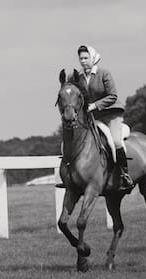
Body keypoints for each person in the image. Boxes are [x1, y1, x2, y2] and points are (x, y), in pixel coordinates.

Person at [57, 45, 134, 192]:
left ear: (92, 58)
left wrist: (95, 105)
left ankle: (124, 175)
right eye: (81, 58)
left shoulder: (104, 73)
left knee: (116, 141)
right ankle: (69, 176)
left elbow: (113, 96)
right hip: (94, 116)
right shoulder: (77, 77)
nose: (83, 61)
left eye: (86, 58)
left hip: (111, 114)